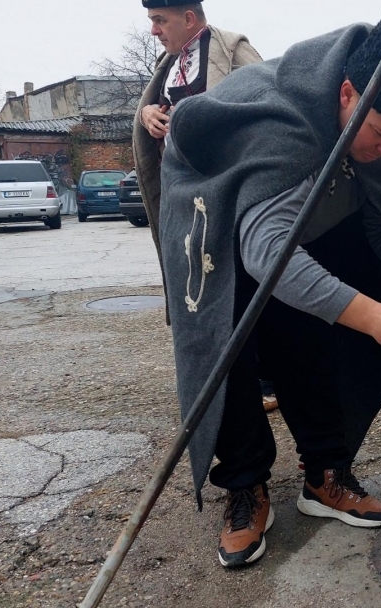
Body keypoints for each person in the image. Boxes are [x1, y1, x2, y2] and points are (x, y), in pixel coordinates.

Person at [160, 5, 381, 569]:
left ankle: (324, 474)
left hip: (305, 223)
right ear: (348, 93)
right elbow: (265, 250)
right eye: (379, 135)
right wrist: (372, 315)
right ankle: (244, 486)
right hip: (224, 221)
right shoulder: (284, 119)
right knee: (227, 342)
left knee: (314, 331)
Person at [130, 1, 279, 410]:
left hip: (231, 201)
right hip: (187, 206)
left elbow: (269, 108)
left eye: (160, 20)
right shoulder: (169, 64)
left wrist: (202, 117)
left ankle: (266, 381)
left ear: (189, 18)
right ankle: (226, 391)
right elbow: (161, 117)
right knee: (204, 299)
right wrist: (147, 114)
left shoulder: (232, 50)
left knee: (245, 293)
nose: (154, 30)